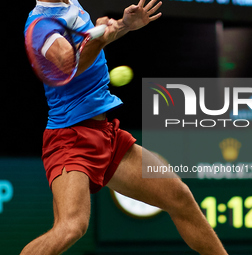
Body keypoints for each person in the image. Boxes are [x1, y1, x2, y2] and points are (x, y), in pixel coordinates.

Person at [22, 0, 228, 254]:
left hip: (105, 134)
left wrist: (124, 25)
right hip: (70, 138)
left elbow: (93, 39)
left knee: (179, 197)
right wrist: (100, 38)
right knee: (71, 227)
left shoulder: (72, 4)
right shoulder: (41, 24)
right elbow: (67, 63)